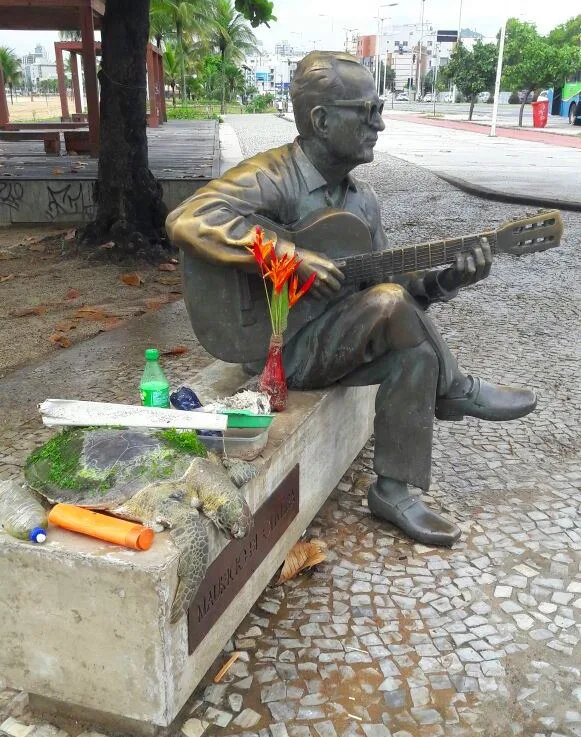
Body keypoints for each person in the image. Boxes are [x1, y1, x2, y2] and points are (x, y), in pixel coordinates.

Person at [166, 52, 536, 547]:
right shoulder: (275, 175)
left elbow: (392, 291)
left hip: (334, 335)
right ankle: (459, 388)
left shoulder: (362, 201)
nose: (379, 123)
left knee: (409, 343)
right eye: (366, 111)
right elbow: (188, 218)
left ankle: (393, 490)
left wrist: (448, 280)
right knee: (388, 307)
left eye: (379, 108)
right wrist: (286, 255)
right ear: (321, 119)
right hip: (279, 348)